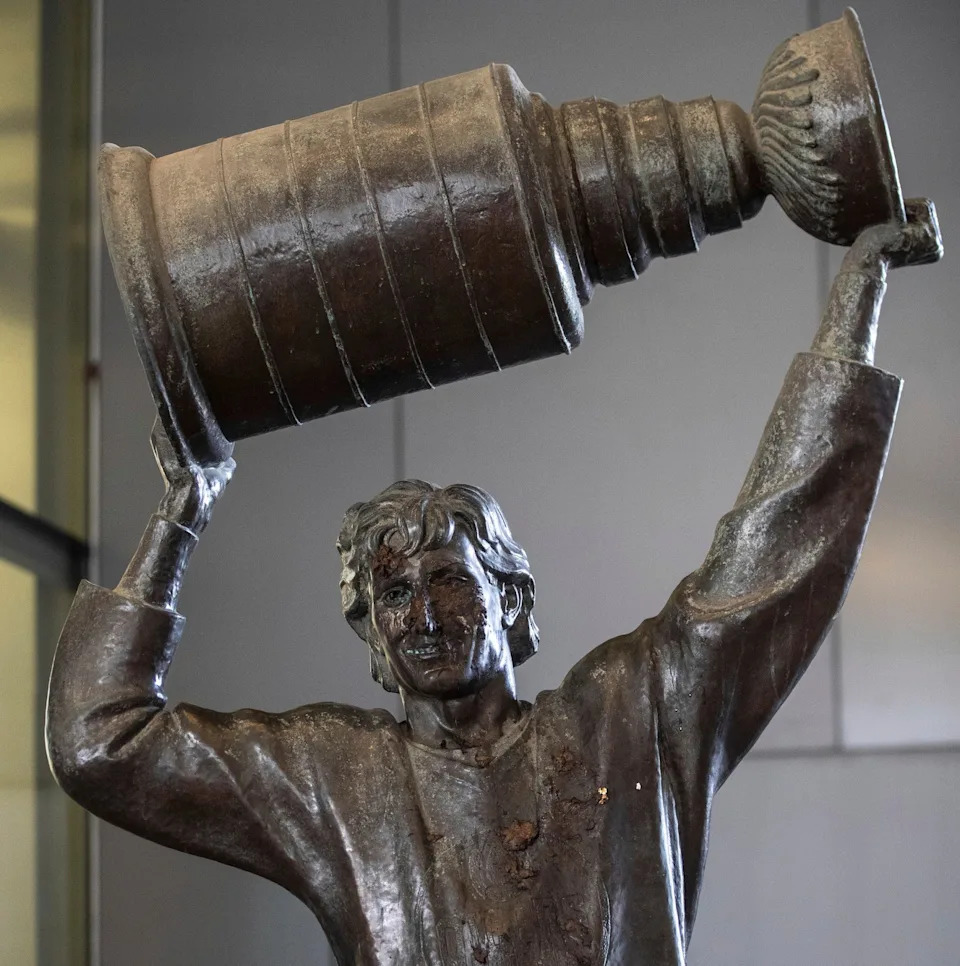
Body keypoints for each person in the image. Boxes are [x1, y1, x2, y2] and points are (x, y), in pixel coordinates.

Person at [47, 202, 941, 965]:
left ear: (509, 598)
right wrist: (182, 513)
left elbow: (774, 554)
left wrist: (855, 304)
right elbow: (101, 742)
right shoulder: (335, 775)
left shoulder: (627, 715)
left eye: (449, 580)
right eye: (393, 594)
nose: (424, 617)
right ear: (371, 632)